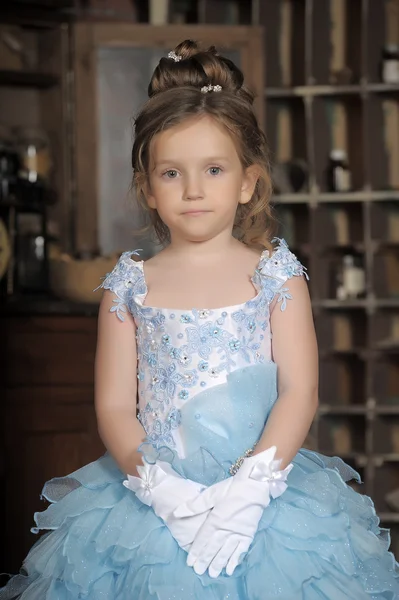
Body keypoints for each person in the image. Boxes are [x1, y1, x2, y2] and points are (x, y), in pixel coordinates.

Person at [1, 39, 398, 600]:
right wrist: (162, 492)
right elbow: (114, 406)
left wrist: (251, 492)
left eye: (213, 169)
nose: (192, 190)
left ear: (247, 181)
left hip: (264, 493)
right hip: (154, 500)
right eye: (171, 173)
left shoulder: (275, 274)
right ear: (147, 187)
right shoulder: (129, 284)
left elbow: (300, 391)